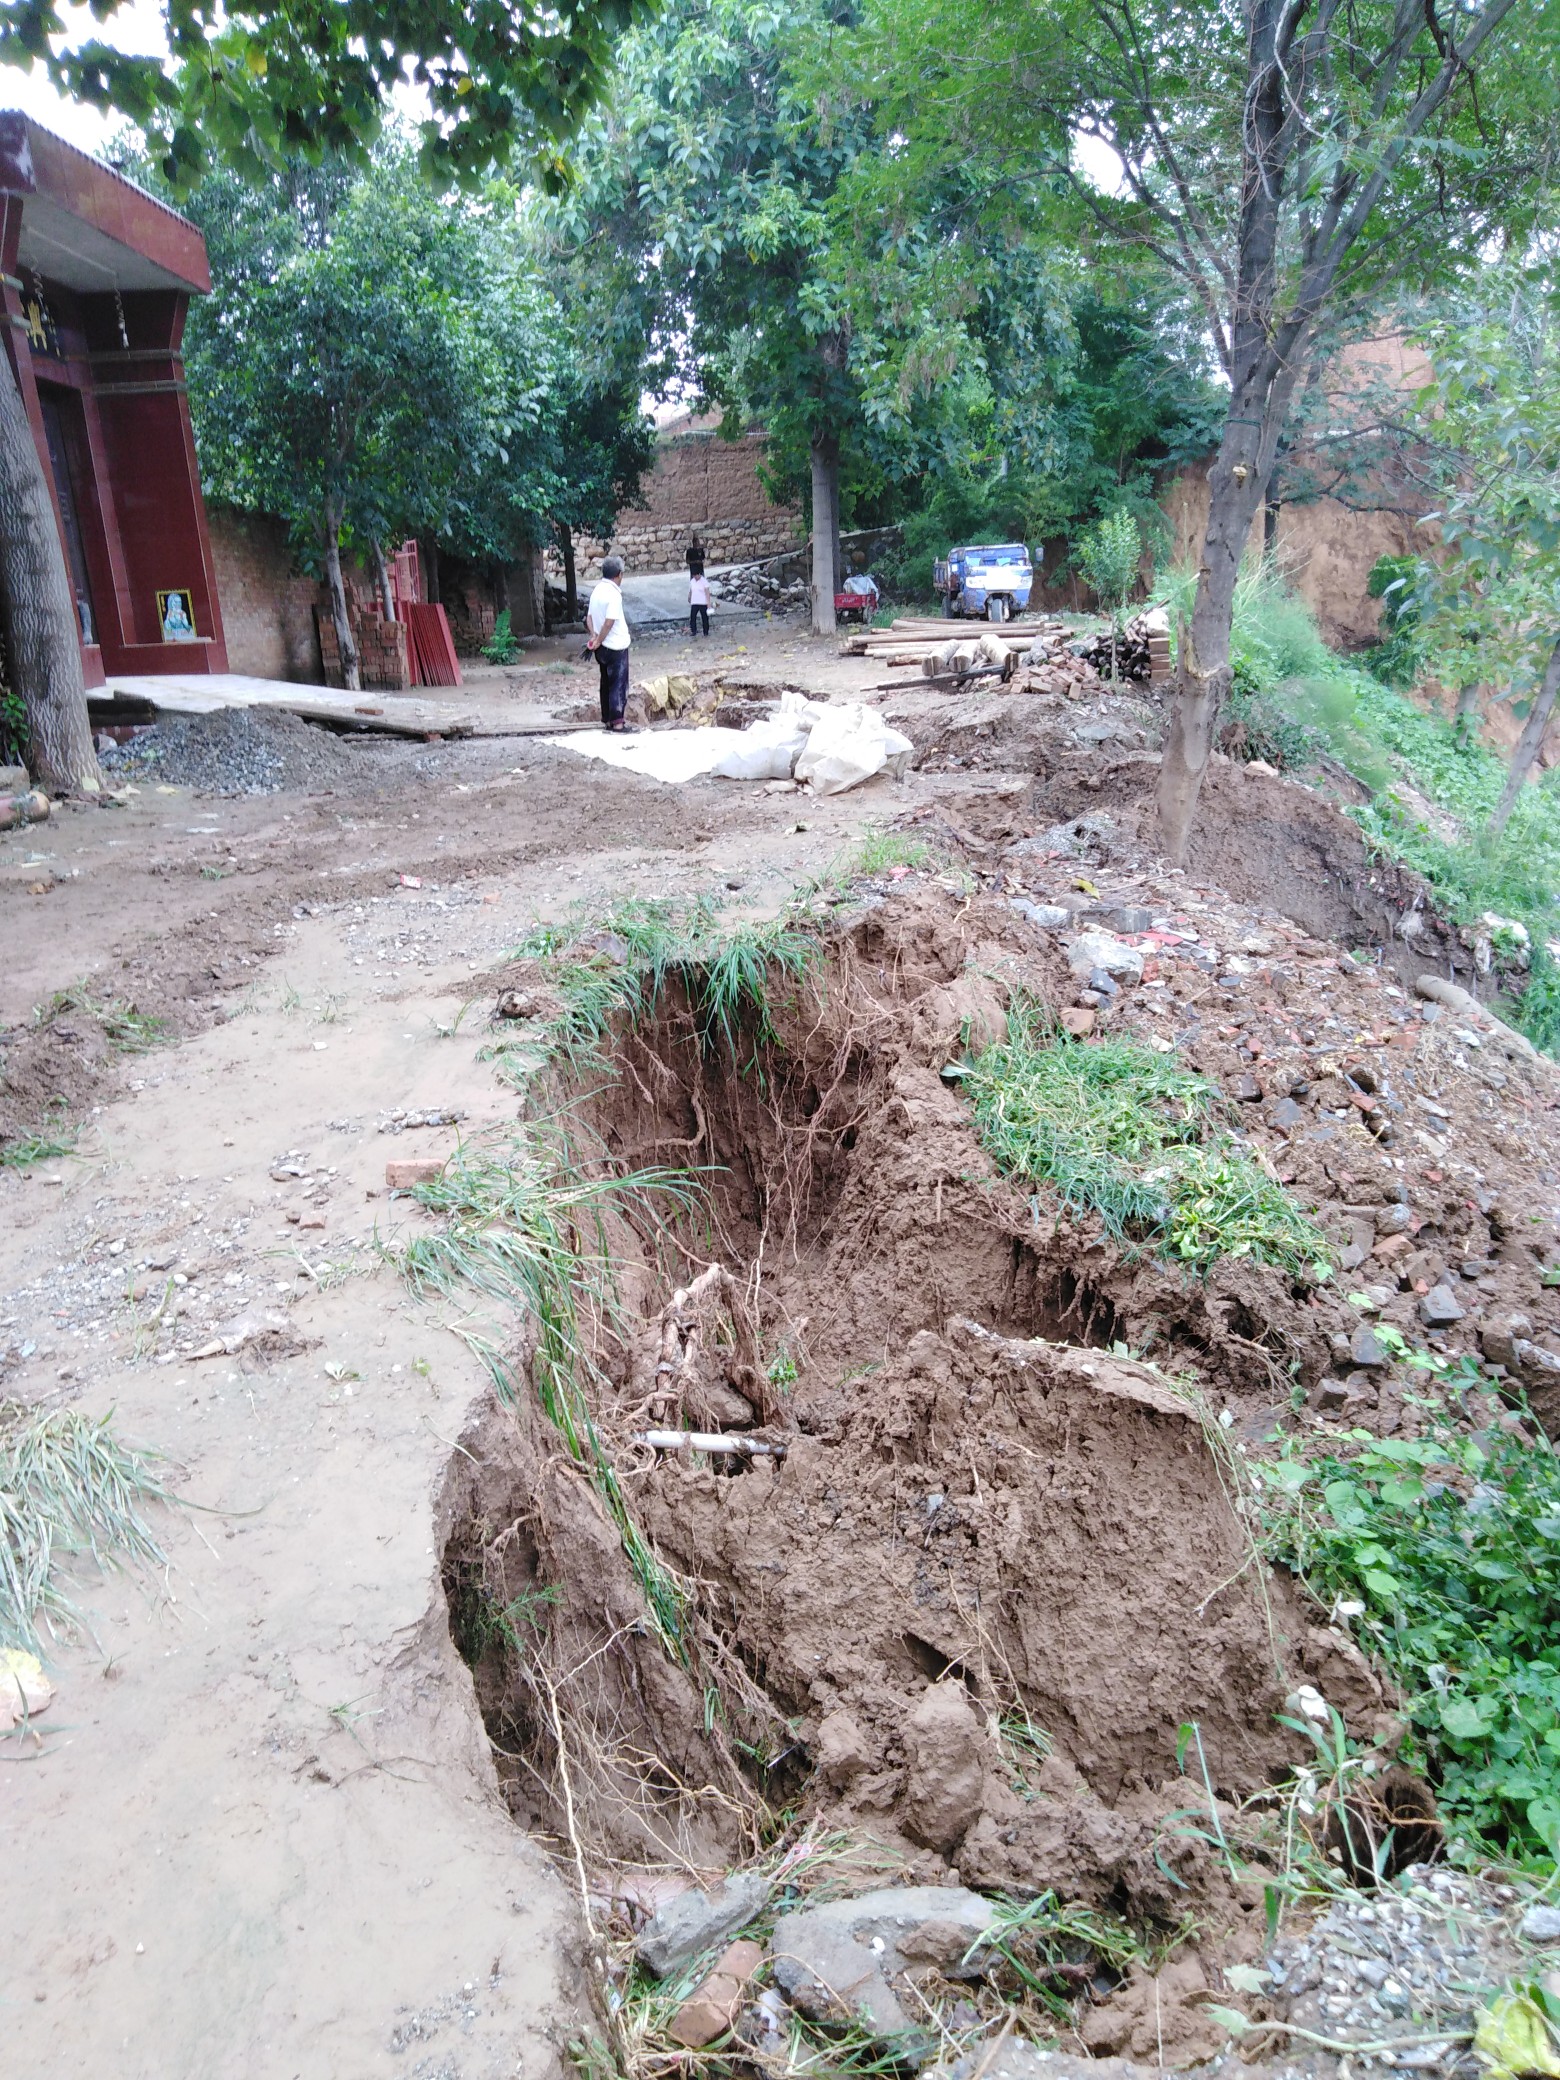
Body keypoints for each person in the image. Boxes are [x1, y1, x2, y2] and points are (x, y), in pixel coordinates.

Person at [585, 554, 632, 730]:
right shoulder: (613, 594)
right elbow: (609, 622)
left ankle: (607, 720)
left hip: (601, 648)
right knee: (618, 685)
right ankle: (618, 723)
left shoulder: (596, 590)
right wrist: (600, 638)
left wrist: (594, 638)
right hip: (615, 646)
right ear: (618, 574)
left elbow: (589, 618)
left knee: (605, 683)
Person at [689, 567, 711, 639]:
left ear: (699, 574)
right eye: (694, 576)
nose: (695, 577)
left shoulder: (704, 581)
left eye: (696, 575)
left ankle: (706, 631)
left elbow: (707, 592)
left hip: (702, 602)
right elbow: (691, 590)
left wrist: (708, 603)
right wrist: (689, 597)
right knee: (693, 617)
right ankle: (693, 630)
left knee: (704, 617)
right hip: (694, 602)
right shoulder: (692, 581)